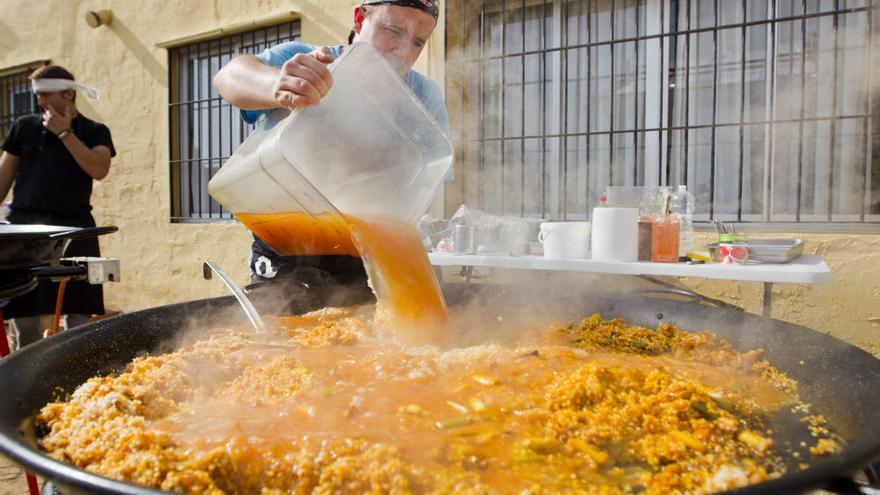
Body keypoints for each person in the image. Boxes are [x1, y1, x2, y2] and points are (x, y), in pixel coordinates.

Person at [213, 0, 447, 288]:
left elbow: (425, 184)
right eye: (393, 31)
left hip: (365, 250)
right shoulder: (309, 61)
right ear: (360, 20)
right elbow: (229, 76)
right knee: (282, 331)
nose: (403, 52)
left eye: (417, 42)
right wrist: (277, 84)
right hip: (286, 247)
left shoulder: (423, 96)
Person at [0, 65, 115, 349]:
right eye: (37, 95)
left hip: (75, 230)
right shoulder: (23, 128)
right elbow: (3, 179)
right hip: (25, 234)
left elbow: (99, 169)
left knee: (78, 312)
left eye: (46, 95)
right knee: (24, 318)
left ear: (69, 93)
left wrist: (65, 134)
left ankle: (75, 374)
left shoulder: (94, 131)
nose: (40, 102)